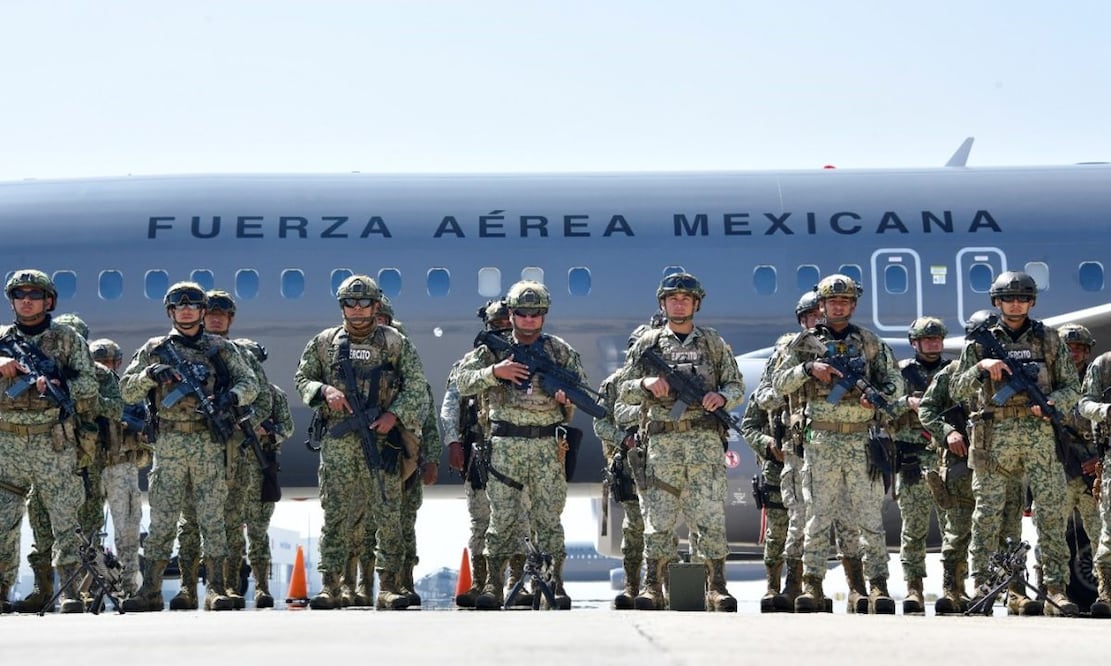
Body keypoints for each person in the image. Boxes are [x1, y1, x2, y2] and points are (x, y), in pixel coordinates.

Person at [119, 281, 259, 612]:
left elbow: (250, 383)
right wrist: (149, 376)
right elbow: (126, 390)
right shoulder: (155, 348)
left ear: (202, 311)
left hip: (207, 442)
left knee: (212, 519)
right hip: (169, 444)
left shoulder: (220, 348)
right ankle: (150, 590)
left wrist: (230, 397)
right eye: (179, 305)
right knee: (163, 519)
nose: (185, 310)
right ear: (170, 311)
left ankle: (216, 588)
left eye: (192, 305)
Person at [294, 275, 429, 610]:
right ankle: (330, 586)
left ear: (375, 306)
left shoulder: (394, 343)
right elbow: (303, 378)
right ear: (342, 307)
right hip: (339, 441)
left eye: (364, 302)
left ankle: (388, 586)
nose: (357, 309)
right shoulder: (324, 343)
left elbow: (417, 386)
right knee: (335, 515)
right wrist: (324, 390)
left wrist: (394, 415)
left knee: (388, 513)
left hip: (381, 441)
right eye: (350, 303)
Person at [951, 271, 1080, 616]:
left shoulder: (1049, 339)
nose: (1015, 304)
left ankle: (1056, 588)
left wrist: (1052, 403)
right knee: (987, 515)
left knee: (1050, 514)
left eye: (1023, 298)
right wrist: (981, 366)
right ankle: (982, 586)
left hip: (1040, 438)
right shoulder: (979, 343)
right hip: (995, 438)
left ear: (1032, 302)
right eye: (1008, 298)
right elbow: (957, 389)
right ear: (997, 302)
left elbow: (1072, 387)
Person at [771, 274, 902, 614]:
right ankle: (812, 585)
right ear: (822, 306)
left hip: (861, 440)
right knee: (817, 516)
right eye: (832, 302)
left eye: (845, 301)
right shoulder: (804, 343)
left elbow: (895, 382)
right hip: (821, 440)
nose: (839, 307)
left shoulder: (869, 342)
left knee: (869, 518)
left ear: (853, 306)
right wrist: (808, 369)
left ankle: (877, 585)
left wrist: (879, 396)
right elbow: (779, 383)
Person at [455, 280, 586, 610]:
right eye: (523, 313)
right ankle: (493, 586)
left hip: (546, 447)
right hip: (505, 446)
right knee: (502, 519)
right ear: (511, 314)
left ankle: (554, 583)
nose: (529, 320)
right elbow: (461, 382)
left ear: (544, 316)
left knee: (549, 520)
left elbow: (581, 387)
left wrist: (565, 396)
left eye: (535, 314)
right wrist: (494, 372)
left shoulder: (558, 351)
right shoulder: (491, 352)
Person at [619, 273, 745, 612]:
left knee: (710, 516)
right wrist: (645, 384)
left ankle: (716, 587)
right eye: (673, 299)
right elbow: (624, 389)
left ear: (696, 304)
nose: (679, 304)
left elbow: (736, 385)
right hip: (663, 445)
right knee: (659, 518)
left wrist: (722, 397)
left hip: (704, 443)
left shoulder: (712, 342)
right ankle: (653, 587)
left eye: (685, 299)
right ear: (663, 304)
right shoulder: (648, 344)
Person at [0, 271, 99, 614]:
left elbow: (90, 385)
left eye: (34, 294)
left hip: (51, 440)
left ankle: (70, 591)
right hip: (7, 443)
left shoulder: (67, 339)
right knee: (3, 521)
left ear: (49, 301)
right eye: (19, 294)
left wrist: (58, 383)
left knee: (64, 518)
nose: (26, 300)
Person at [442, 300, 534, 608]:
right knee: (481, 520)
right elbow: (451, 405)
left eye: (507, 326)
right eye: (497, 326)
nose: (503, 331)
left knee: (520, 520)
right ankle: (480, 584)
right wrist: (453, 442)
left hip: (518, 452)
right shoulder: (470, 363)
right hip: (480, 452)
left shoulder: (532, 357)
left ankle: (516, 584)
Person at [374, 295, 441, 607]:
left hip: (407, 458)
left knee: (405, 523)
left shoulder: (413, 379)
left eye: (383, 321)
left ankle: (405, 581)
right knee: (375, 523)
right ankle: (371, 583)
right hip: (375, 455)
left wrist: (432, 459)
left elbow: (428, 420)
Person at [594, 320, 657, 609]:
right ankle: (632, 586)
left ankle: (661, 586)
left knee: (665, 526)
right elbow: (601, 424)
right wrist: (624, 439)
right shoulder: (615, 384)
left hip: (665, 459)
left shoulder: (666, 382)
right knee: (633, 527)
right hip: (631, 463)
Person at [889, 316, 950, 614]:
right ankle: (914, 588)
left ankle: (954, 587)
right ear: (915, 343)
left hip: (946, 459)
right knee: (913, 528)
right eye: (927, 339)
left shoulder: (951, 372)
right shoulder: (902, 373)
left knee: (953, 527)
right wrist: (906, 403)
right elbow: (884, 409)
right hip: (913, 460)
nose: (933, 344)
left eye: (937, 339)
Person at [89, 337, 149, 599]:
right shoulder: (82, 393)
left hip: (121, 467)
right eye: (100, 362)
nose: (106, 367)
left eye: (111, 362)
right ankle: (90, 588)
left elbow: (141, 422)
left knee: (127, 531)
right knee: (87, 531)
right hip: (90, 467)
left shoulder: (127, 394)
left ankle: (129, 588)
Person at [1078, 328, 1111, 617]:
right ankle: (1107, 592)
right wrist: (1106, 411)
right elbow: (1085, 403)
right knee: (1109, 529)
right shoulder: (1104, 364)